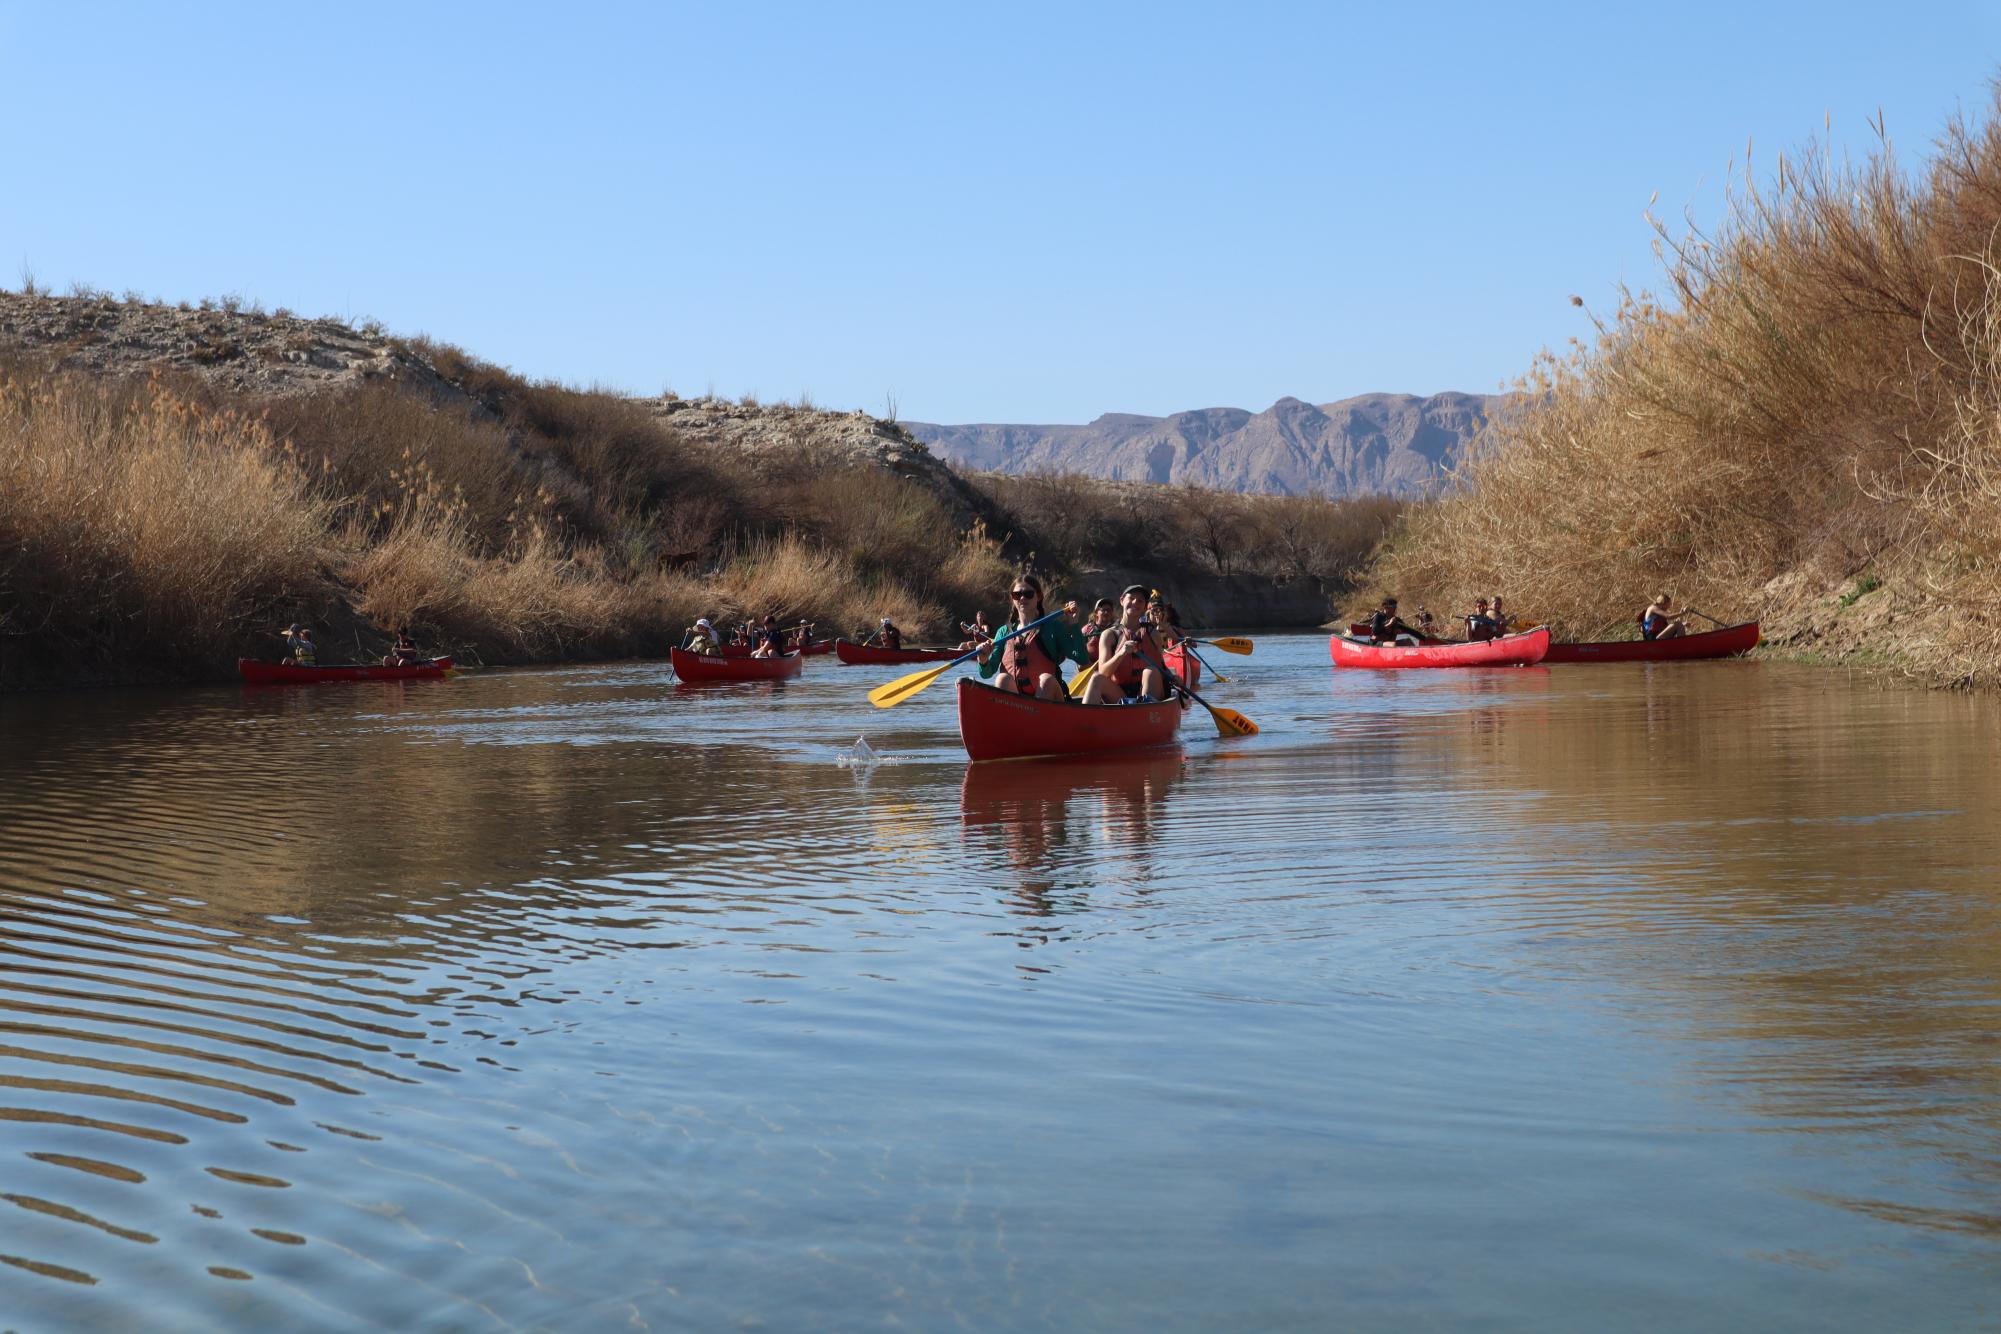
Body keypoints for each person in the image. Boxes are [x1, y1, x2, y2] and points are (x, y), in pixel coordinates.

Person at [980, 574, 1091, 701]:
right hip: (1017, 704)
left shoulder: (1053, 627)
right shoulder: (1004, 632)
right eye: (1017, 595)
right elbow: (986, 673)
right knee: (1002, 678)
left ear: (1038, 596)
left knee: (1046, 679)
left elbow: (1082, 659)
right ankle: (1013, 717)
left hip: (1049, 697)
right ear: (1012, 599)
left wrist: (1073, 624)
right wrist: (983, 660)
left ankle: (1040, 717)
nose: (1022, 598)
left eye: (1028, 594)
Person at [1084, 585, 1171, 705]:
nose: (1135, 602)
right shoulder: (1109, 635)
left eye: (1140, 600)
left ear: (1145, 606)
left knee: (1151, 672)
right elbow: (1104, 673)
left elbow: (1162, 666)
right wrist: (1121, 653)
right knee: (1096, 678)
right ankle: (1084, 720)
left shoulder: (1153, 634)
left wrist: (1174, 678)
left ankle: (1143, 713)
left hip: (1148, 692)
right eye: (1131, 598)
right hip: (1120, 694)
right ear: (1122, 600)